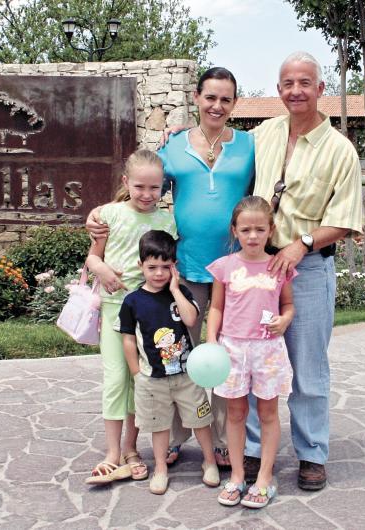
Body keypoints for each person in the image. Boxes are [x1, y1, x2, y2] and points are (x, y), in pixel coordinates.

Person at [86, 67, 256, 472]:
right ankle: (178, 438)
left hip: (234, 270)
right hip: (187, 270)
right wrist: (99, 216)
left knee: (224, 357)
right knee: (180, 354)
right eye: (210, 97)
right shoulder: (175, 145)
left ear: (234, 104)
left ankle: (218, 441)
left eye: (226, 99)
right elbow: (140, 188)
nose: (217, 105)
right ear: (197, 98)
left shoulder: (250, 144)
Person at [248, 51, 363, 490]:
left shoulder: (340, 150)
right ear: (278, 91)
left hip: (309, 267)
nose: (296, 90)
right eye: (288, 83)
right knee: (253, 358)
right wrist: (180, 133)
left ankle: (312, 453)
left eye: (305, 82)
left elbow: (347, 218)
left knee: (308, 367)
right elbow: (219, 144)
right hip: (259, 262)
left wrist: (304, 243)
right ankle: (255, 450)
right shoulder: (265, 133)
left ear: (320, 88)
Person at [84, 149, 176, 485]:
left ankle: (131, 448)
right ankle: (111, 453)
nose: (147, 195)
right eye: (139, 187)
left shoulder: (167, 221)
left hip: (149, 314)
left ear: (163, 187)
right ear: (126, 182)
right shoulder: (108, 215)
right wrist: (104, 269)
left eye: (155, 188)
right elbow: (92, 258)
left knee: (142, 379)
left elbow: (168, 263)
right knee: (115, 379)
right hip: (114, 309)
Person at [206, 196, 296, 508]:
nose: (253, 236)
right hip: (232, 347)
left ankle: (264, 478)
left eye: (260, 229)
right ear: (235, 231)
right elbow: (216, 307)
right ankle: (237, 476)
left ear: (271, 230)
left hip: (267, 349)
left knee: (268, 413)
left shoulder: (278, 266)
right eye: (246, 230)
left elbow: (288, 304)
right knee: (235, 413)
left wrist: (284, 320)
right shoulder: (225, 267)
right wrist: (211, 340)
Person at [119, 229, 220, 495]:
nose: (159, 273)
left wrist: (175, 289)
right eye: (152, 267)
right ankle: (161, 468)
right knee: (159, 425)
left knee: (200, 420)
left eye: (166, 266)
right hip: (152, 379)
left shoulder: (182, 292)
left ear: (174, 267)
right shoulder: (132, 301)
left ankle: (209, 462)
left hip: (187, 375)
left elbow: (190, 320)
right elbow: (128, 340)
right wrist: (136, 373)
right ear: (140, 265)